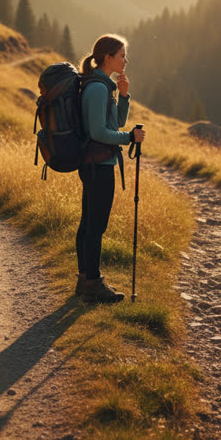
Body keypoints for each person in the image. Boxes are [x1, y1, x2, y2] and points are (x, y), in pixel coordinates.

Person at [76, 34, 145, 303]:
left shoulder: (105, 85)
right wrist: (129, 138)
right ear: (108, 58)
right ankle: (92, 283)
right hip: (98, 165)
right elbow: (99, 132)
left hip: (97, 163)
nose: (125, 60)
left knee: (89, 223)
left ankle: (85, 280)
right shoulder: (97, 88)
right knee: (95, 226)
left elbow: (114, 122)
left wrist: (125, 95)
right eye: (122, 56)